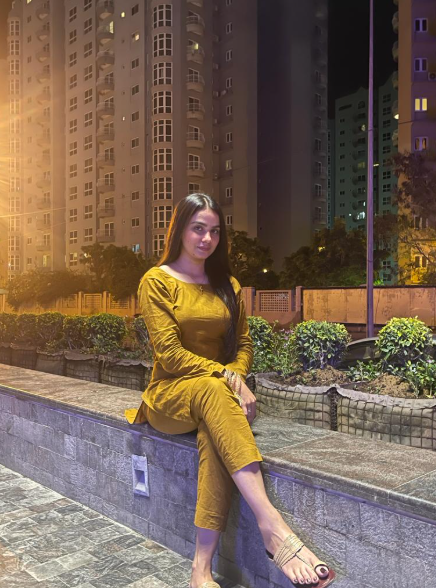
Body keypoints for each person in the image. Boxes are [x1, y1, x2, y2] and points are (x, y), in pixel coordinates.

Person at [126, 194, 335, 588]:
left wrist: (233, 377)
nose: (207, 238)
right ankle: (272, 524)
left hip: (215, 395)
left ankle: (201, 570)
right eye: (198, 229)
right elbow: (169, 354)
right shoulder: (157, 281)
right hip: (169, 397)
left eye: (215, 231)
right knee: (211, 390)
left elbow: (244, 345)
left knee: (215, 435)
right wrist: (228, 378)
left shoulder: (228, 285)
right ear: (180, 230)